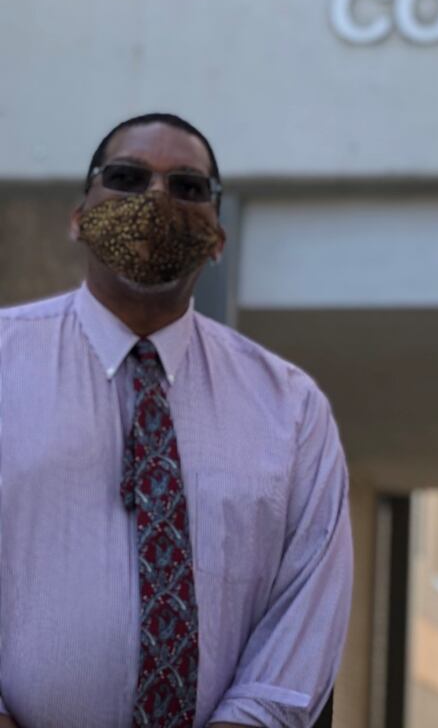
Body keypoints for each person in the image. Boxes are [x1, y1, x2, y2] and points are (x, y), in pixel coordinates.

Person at [0, 113, 353, 728]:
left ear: (218, 237)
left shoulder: (291, 409)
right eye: (127, 177)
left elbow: (304, 618)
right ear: (79, 216)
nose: (156, 198)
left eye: (187, 187)